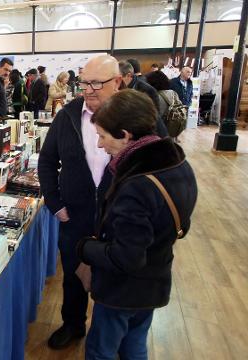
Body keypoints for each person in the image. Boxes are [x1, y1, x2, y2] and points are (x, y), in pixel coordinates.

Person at [78, 89, 197, 359]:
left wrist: (86, 248)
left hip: (122, 291)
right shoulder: (178, 164)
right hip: (155, 279)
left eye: (103, 136)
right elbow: (182, 226)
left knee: (101, 351)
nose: (99, 144)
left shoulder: (137, 184)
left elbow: (127, 257)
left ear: (125, 135)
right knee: (135, 345)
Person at [37, 55, 120, 350]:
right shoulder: (68, 115)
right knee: (73, 275)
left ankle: (111, 336)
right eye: (84, 82)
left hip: (119, 220)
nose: (89, 89)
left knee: (114, 281)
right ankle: (73, 324)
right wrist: (55, 204)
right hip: (75, 216)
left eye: (97, 83)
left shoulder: (135, 115)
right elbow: (47, 161)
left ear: (118, 82)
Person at [119, 61, 169, 137]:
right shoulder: (123, 88)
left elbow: (154, 118)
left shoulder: (146, 90)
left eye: (119, 77)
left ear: (128, 76)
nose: (115, 81)